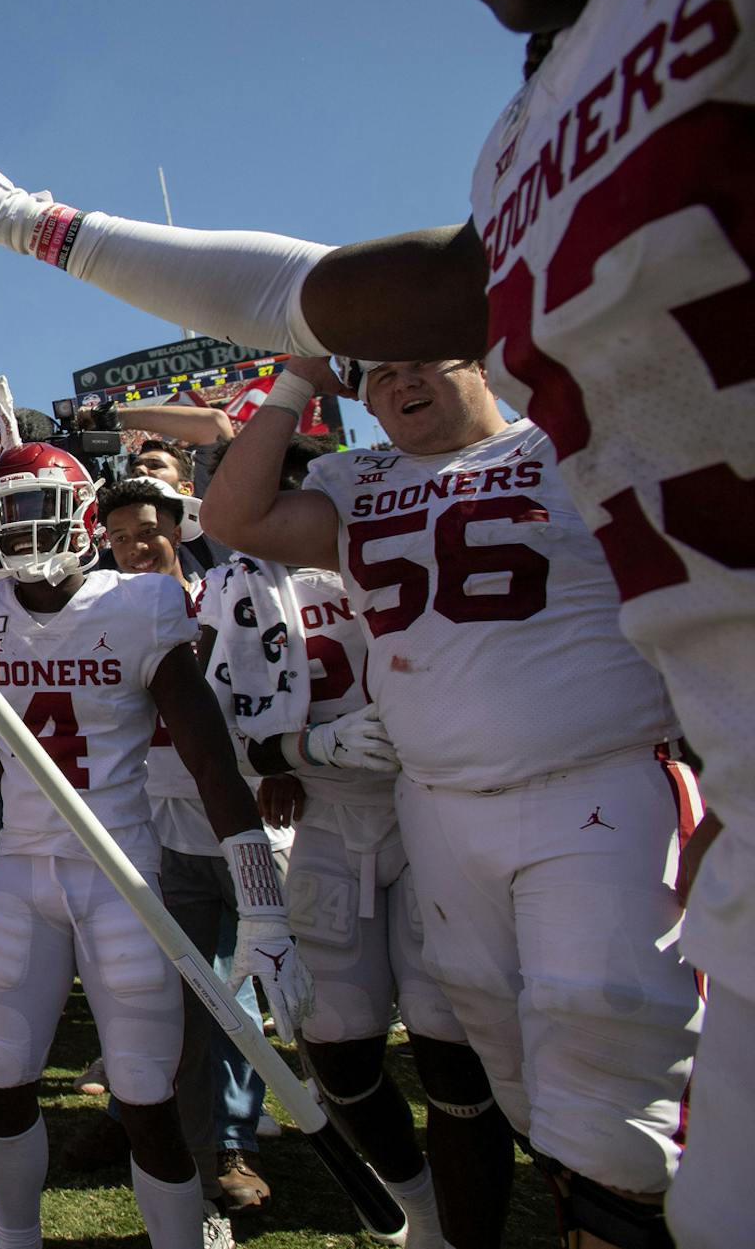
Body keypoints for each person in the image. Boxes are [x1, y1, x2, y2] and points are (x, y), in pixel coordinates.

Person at [0, 0, 751, 1232]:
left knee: (625, 1102)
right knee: (550, 1107)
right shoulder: (523, 150)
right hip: (465, 800)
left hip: (608, 772)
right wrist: (41, 225)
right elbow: (303, 302)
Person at [199, 356, 702, 1247]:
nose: (398, 385)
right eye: (378, 374)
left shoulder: (571, 444)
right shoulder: (352, 489)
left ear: (477, 353)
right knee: (498, 1048)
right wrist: (296, 378)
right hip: (429, 804)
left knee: (612, 1036)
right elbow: (233, 518)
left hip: (593, 779)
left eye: (419, 360)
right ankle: (517, 1215)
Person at [0, 438, 309, 1249]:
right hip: (23, 872)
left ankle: (180, 1236)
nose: (24, 533)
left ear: (81, 518)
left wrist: (263, 906)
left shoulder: (140, 605)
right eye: (8, 515)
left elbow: (209, 760)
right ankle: (17, 1238)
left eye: (38, 510)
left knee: (144, 1093)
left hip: (121, 875)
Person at [201, 433, 496, 1249]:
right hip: (328, 817)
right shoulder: (230, 589)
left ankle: (462, 1229)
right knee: (336, 1047)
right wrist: (302, 750)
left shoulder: (401, 544)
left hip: (432, 804)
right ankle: (423, 1209)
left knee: (451, 1041)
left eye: (293, 489)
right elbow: (216, 731)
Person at [94, 475, 270, 1218]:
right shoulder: (99, 611)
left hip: (249, 811)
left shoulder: (222, 597)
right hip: (156, 817)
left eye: (148, 529)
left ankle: (245, 1132)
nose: (136, 546)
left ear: (180, 528)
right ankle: (210, 1138)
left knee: (256, 983)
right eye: (121, 534)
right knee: (195, 987)